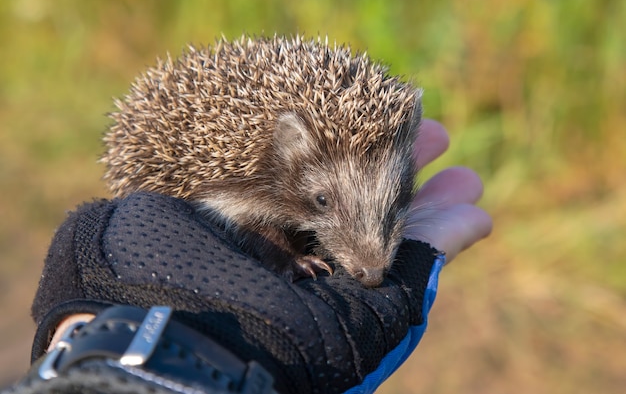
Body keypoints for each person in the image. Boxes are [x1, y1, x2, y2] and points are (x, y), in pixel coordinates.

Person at [2, 119, 491, 394]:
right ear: (287, 152)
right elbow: (239, 218)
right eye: (323, 201)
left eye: (389, 207)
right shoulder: (244, 179)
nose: (371, 265)